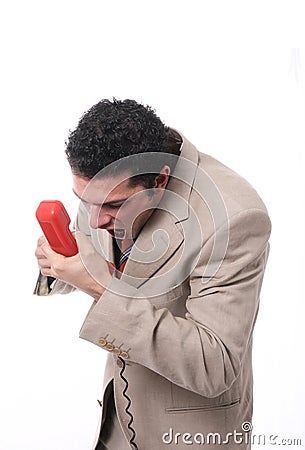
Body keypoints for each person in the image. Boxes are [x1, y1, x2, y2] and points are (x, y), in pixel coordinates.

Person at [34, 98, 272, 449]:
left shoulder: (234, 218)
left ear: (159, 180)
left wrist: (101, 288)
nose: (94, 219)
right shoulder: (108, 186)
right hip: (117, 425)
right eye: (84, 201)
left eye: (113, 206)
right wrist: (61, 262)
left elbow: (214, 364)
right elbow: (111, 256)